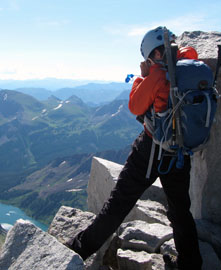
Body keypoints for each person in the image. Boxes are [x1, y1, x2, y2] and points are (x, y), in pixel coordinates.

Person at [67, 26, 203, 270]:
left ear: (153, 55)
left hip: (151, 150)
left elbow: (135, 106)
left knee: (118, 204)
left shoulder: (158, 75)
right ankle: (190, 264)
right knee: (180, 211)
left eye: (148, 58)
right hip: (180, 151)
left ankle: (77, 250)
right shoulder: (190, 62)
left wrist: (144, 76)